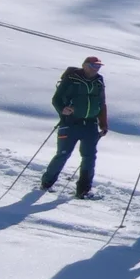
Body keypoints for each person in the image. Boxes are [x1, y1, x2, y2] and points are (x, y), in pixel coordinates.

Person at [40, 55, 108, 197]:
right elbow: (56, 99)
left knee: (89, 157)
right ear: (84, 65)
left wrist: (103, 123)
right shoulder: (71, 79)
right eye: (93, 66)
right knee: (63, 154)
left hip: (90, 124)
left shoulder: (99, 81)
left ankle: (83, 189)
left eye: (98, 66)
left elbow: (102, 103)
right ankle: (47, 182)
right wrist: (62, 109)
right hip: (70, 123)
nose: (96, 69)